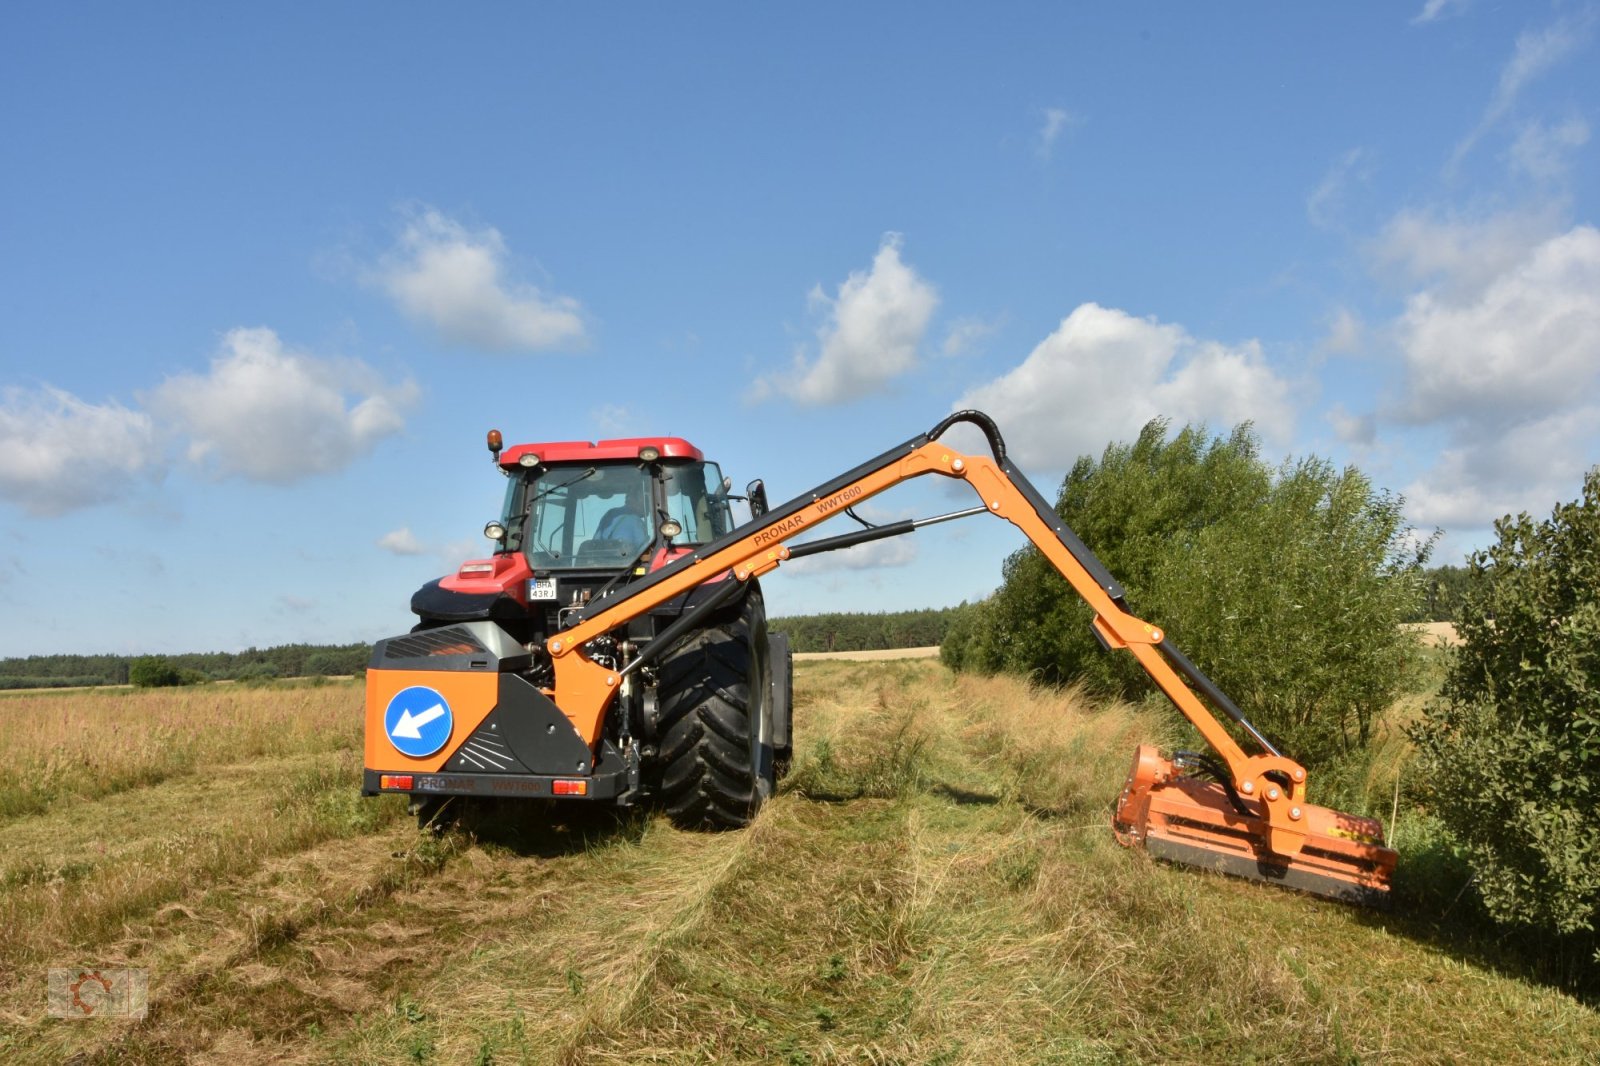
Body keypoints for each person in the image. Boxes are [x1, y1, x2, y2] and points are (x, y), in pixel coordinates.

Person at [595, 480, 650, 552]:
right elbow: (644, 549)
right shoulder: (635, 521)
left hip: (602, 559)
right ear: (632, 500)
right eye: (645, 500)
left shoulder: (610, 514)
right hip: (624, 560)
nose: (647, 506)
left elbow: (596, 540)